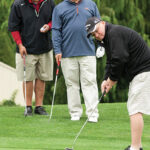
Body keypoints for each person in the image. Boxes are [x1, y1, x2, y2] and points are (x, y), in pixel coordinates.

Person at [85, 17, 150, 150]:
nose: (97, 35)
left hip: (143, 71)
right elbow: (111, 60)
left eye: (97, 31)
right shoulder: (107, 38)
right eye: (93, 34)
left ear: (102, 23)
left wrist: (112, 80)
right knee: (135, 108)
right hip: (140, 73)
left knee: (135, 109)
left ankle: (135, 148)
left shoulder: (114, 33)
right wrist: (105, 79)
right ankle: (136, 146)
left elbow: (120, 58)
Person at [52, 0, 100, 123]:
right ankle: (75, 113)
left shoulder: (91, 5)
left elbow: (99, 27)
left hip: (88, 51)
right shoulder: (59, 8)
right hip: (67, 53)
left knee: (89, 82)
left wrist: (101, 45)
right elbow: (56, 30)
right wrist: (57, 50)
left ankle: (92, 113)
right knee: (71, 84)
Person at [8, 0, 55, 116]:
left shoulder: (49, 2)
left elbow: (55, 20)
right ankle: (28, 107)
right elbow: (13, 27)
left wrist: (49, 26)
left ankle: (39, 106)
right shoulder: (18, 4)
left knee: (41, 77)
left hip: (44, 47)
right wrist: (20, 44)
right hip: (25, 49)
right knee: (28, 78)